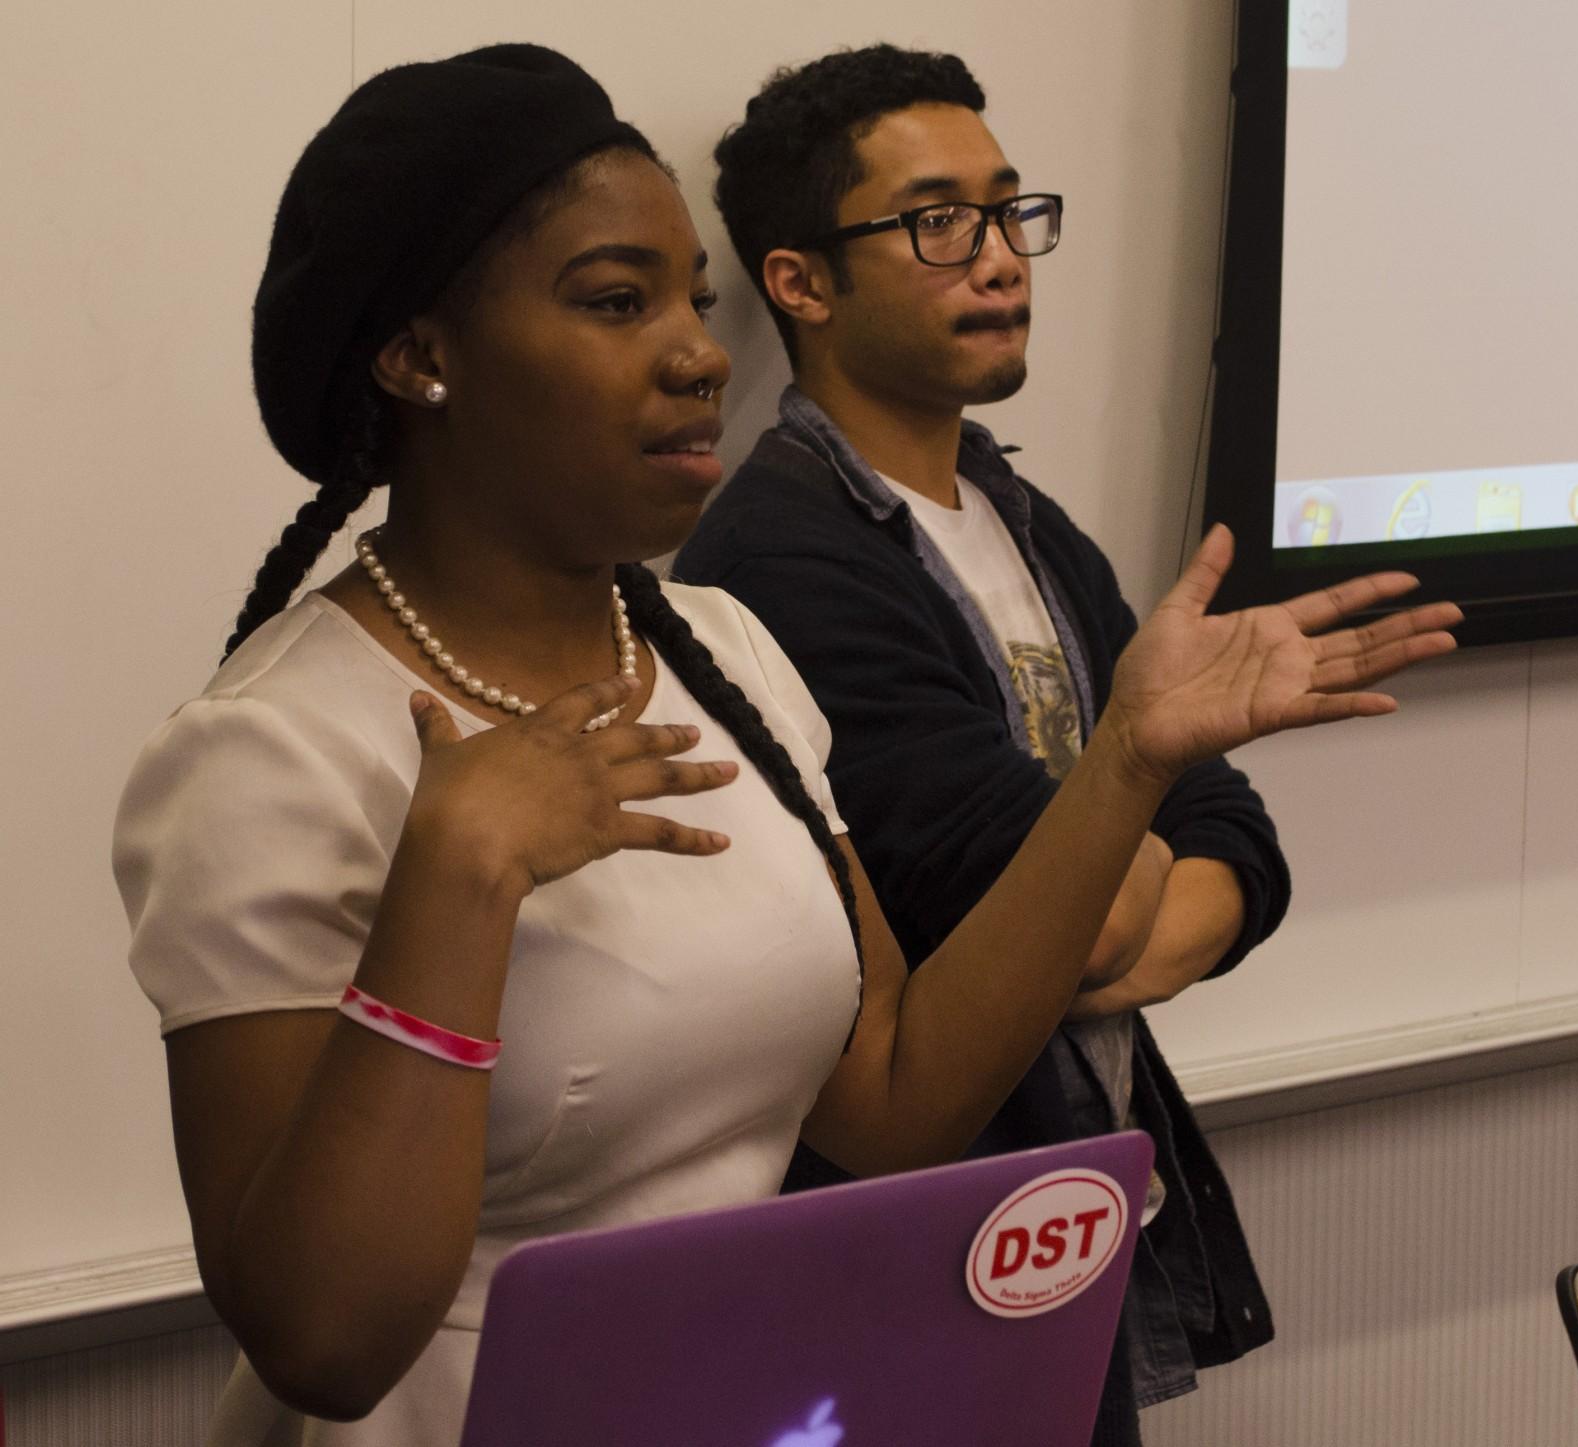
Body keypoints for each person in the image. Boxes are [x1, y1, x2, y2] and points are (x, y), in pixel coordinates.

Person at [112, 43, 1459, 1446]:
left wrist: (1124, 763)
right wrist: (456, 881)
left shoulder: (725, 652)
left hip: (743, 1407)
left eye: (692, 300)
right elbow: (321, 1344)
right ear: (421, 356)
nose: (701, 353)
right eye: (617, 303)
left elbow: (892, 1100)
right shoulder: (265, 756)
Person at [678, 46, 1446, 1441]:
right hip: (905, 1260)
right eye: (936, 221)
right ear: (799, 282)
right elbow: (1050, 900)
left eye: (1010, 210)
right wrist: (1110, 868)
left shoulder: (1023, 520)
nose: (998, 259)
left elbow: (1235, 852)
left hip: (1066, 1223)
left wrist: (1105, 889)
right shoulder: (779, 559)